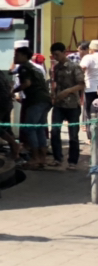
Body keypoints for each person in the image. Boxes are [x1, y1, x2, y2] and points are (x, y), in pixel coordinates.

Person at [49, 42, 84, 171]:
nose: (55, 57)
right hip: (58, 104)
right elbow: (56, 83)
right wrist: (54, 93)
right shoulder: (56, 68)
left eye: (57, 54)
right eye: (53, 55)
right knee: (54, 131)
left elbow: (81, 84)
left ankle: (72, 161)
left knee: (73, 134)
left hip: (72, 105)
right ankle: (57, 158)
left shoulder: (75, 67)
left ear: (64, 53)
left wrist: (68, 91)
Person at [17, 58, 52, 171]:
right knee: (40, 128)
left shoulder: (24, 67)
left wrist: (13, 90)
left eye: (16, 55)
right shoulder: (36, 68)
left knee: (30, 129)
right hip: (45, 100)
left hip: (36, 101)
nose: (14, 58)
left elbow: (27, 83)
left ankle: (35, 158)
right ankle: (42, 158)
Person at [81, 39, 98, 140]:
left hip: (90, 88)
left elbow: (82, 68)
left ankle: (91, 138)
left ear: (91, 49)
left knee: (90, 113)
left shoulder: (88, 57)